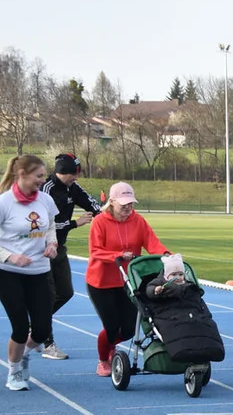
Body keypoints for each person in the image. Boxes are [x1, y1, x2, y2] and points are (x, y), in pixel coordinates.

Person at [86, 183, 168, 377]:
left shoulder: (138, 221)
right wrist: (118, 255)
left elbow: (152, 242)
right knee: (112, 326)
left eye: (130, 203)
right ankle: (103, 359)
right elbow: (96, 251)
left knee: (130, 329)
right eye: (123, 204)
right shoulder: (99, 222)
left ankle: (111, 345)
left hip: (128, 281)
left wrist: (166, 255)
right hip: (101, 282)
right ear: (111, 202)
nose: (127, 207)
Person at [0, 155, 59, 391]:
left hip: (39, 270)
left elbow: (51, 226)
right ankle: (13, 372)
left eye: (44, 176)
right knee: (20, 327)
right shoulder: (4, 202)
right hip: (8, 273)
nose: (42, 181)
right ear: (22, 174)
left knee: (43, 329)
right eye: (39, 176)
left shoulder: (45, 200)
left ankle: (22, 354)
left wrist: (52, 245)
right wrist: (10, 256)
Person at [38, 153, 101, 359]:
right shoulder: (45, 190)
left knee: (65, 293)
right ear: (62, 172)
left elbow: (93, 206)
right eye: (73, 174)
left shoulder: (74, 188)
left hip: (60, 248)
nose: (76, 177)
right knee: (47, 295)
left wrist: (109, 214)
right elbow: (44, 225)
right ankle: (47, 343)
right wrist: (74, 223)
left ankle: (36, 324)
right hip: (42, 249)